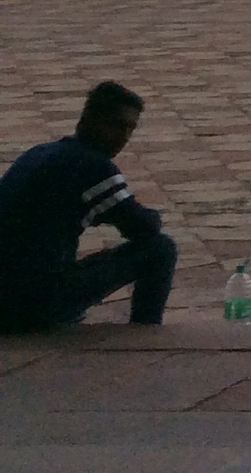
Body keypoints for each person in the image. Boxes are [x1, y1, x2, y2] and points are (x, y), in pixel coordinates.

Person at [0, 82, 176, 332]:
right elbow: (141, 227)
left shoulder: (41, 152)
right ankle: (145, 335)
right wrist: (153, 217)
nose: (124, 137)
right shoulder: (93, 166)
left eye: (130, 128)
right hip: (29, 303)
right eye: (116, 125)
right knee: (161, 249)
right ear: (90, 119)